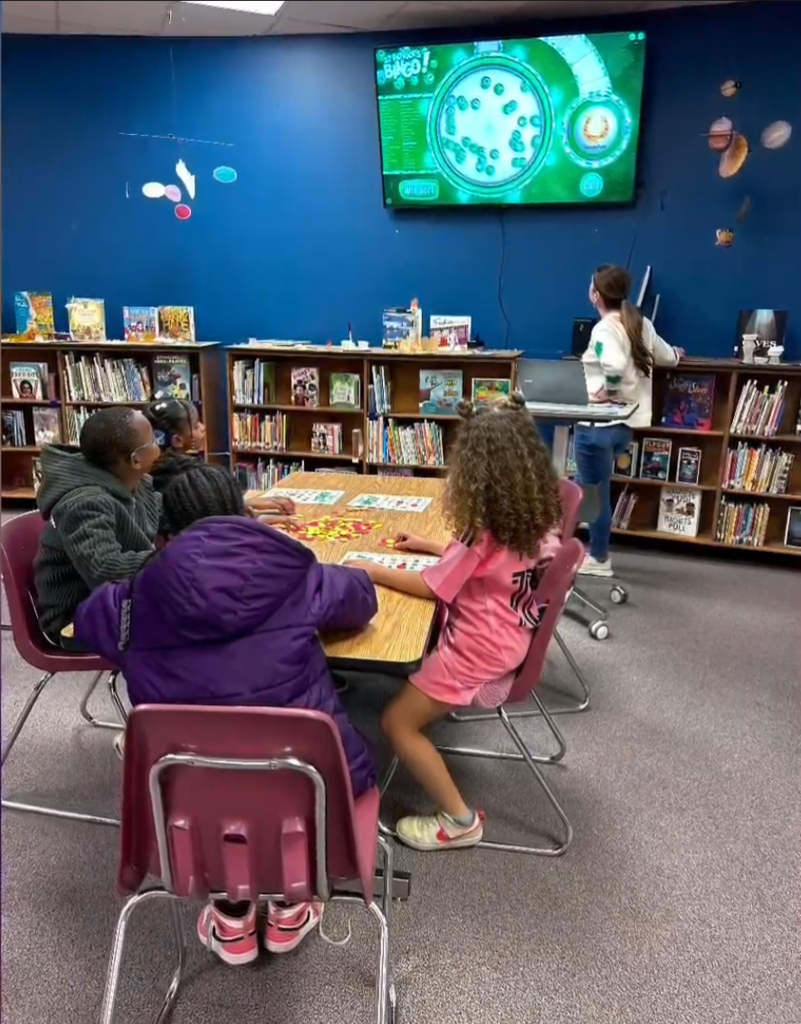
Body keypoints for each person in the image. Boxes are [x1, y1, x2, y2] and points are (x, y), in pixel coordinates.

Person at [73, 462, 378, 965]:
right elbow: (360, 596)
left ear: (164, 536)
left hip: (185, 819)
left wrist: (143, 577)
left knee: (207, 779)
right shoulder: (296, 575)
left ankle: (232, 918)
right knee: (282, 782)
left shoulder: (131, 602)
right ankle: (290, 903)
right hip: (315, 806)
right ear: (244, 518)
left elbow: (88, 621)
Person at [344, 394, 562, 852]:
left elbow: (432, 587)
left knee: (396, 724)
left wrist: (367, 569)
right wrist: (433, 545)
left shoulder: (481, 526)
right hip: (509, 637)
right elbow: (478, 566)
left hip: (477, 651)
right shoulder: (532, 513)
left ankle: (459, 820)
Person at [576, 264, 683, 577]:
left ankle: (599, 559)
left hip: (597, 428)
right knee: (597, 490)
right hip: (624, 428)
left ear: (595, 295)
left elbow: (615, 365)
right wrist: (677, 354)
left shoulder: (603, 329)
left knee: (592, 495)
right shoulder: (641, 323)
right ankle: (594, 552)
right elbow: (666, 356)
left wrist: (607, 390)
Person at [33, 407, 162, 645]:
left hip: (123, 600)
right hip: (75, 619)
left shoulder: (137, 483)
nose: (159, 447)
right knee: (203, 623)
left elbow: (164, 519)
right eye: (154, 441)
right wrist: (172, 560)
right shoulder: (83, 504)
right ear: (136, 459)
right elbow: (105, 571)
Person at [144, 397, 297, 521]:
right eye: (196, 426)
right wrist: (258, 518)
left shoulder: (153, 468)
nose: (203, 427)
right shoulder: (188, 478)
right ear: (177, 441)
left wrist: (248, 503)